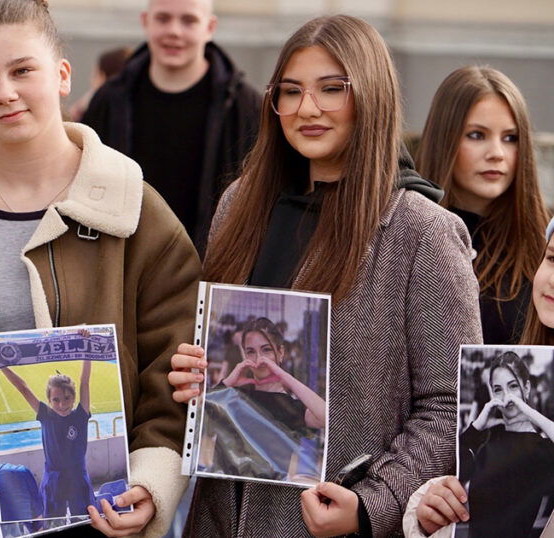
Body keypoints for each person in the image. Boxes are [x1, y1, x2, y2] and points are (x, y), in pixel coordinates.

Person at [167, 14, 482, 537]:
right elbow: (213, 357)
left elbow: (451, 406)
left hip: (326, 525)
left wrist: (371, 504)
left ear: (372, 96)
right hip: (220, 517)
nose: (306, 108)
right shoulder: (239, 206)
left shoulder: (422, 232)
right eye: (289, 92)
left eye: (331, 89)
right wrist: (192, 373)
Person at [0, 1, 200, 536]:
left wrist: (152, 483)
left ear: (62, 75)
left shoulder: (134, 212)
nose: (4, 92)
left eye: (22, 70)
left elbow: (173, 361)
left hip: (99, 507)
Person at [405, 220, 554, 538]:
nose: (553, 280)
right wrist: (431, 513)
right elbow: (458, 500)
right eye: (552, 259)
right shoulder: (486, 441)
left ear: (526, 387)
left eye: (513, 386)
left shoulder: (541, 447)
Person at [81, 0, 260, 256]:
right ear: (146, 22)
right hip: (124, 266)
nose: (174, 31)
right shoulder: (110, 101)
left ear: (209, 27)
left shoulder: (245, 106)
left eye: (189, 21)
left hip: (209, 266)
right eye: (163, 18)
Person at [417, 66, 549, 345]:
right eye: (477, 135)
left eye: (510, 138)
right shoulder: (407, 232)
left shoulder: (545, 245)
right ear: (444, 140)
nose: (497, 154)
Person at [206, 318, 325, 480]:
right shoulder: (234, 395)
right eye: (251, 352)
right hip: (220, 487)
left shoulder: (290, 406)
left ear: (280, 352)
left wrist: (283, 375)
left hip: (266, 494)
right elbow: (200, 419)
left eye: (266, 350)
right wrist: (229, 380)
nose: (259, 359)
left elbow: (325, 417)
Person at [1, 362, 95, 518]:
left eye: (67, 398)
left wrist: (87, 348)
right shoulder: (45, 414)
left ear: (74, 398)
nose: (62, 404)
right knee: (53, 522)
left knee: (84, 519)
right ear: (49, 401)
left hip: (77, 477)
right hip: (53, 479)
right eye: (56, 399)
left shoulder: (80, 415)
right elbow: (23, 388)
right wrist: (1, 365)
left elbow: (84, 381)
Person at [67, 46, 132, 122]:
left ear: (102, 77)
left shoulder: (95, 107)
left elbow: (71, 118)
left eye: (95, 74)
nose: (91, 79)